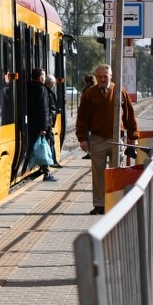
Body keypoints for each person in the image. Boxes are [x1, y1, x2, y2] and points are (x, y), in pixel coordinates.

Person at [75, 64, 139, 215]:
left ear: (111, 76)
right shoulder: (89, 94)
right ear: (96, 77)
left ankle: (116, 203)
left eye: (105, 76)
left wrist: (133, 136)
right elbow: (82, 118)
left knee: (117, 172)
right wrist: (82, 139)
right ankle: (100, 204)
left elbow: (130, 115)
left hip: (117, 138)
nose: (103, 79)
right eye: (100, 77)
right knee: (98, 174)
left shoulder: (120, 91)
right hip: (97, 139)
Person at [26, 67, 57, 181]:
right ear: (40, 78)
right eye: (43, 75)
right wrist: (44, 127)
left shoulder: (27, 87)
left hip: (29, 124)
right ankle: (47, 173)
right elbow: (44, 109)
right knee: (43, 148)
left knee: (34, 146)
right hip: (39, 125)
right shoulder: (41, 89)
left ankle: (28, 165)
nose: (44, 77)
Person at [44, 75, 62, 168]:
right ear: (50, 83)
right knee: (50, 140)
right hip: (48, 123)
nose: (54, 84)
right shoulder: (48, 93)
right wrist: (50, 121)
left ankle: (53, 161)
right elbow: (51, 108)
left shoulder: (48, 91)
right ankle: (52, 161)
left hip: (48, 122)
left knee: (50, 140)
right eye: (54, 83)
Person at [79, 74, 97, 159]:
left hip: (88, 115)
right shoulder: (96, 89)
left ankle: (90, 152)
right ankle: (92, 151)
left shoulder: (85, 90)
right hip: (94, 115)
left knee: (89, 134)